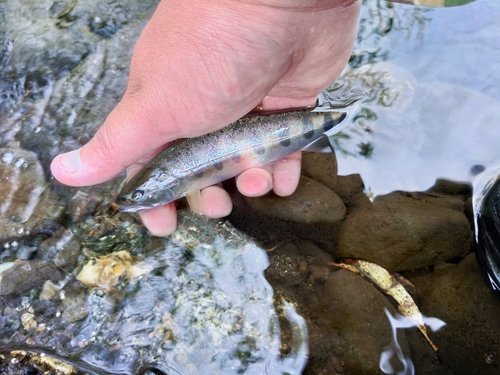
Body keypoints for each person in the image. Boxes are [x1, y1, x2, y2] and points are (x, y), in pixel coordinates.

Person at [50, 0, 361, 236]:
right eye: (139, 195)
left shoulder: (177, 180)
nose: (136, 200)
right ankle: (350, 113)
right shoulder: (168, 173)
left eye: (142, 193)